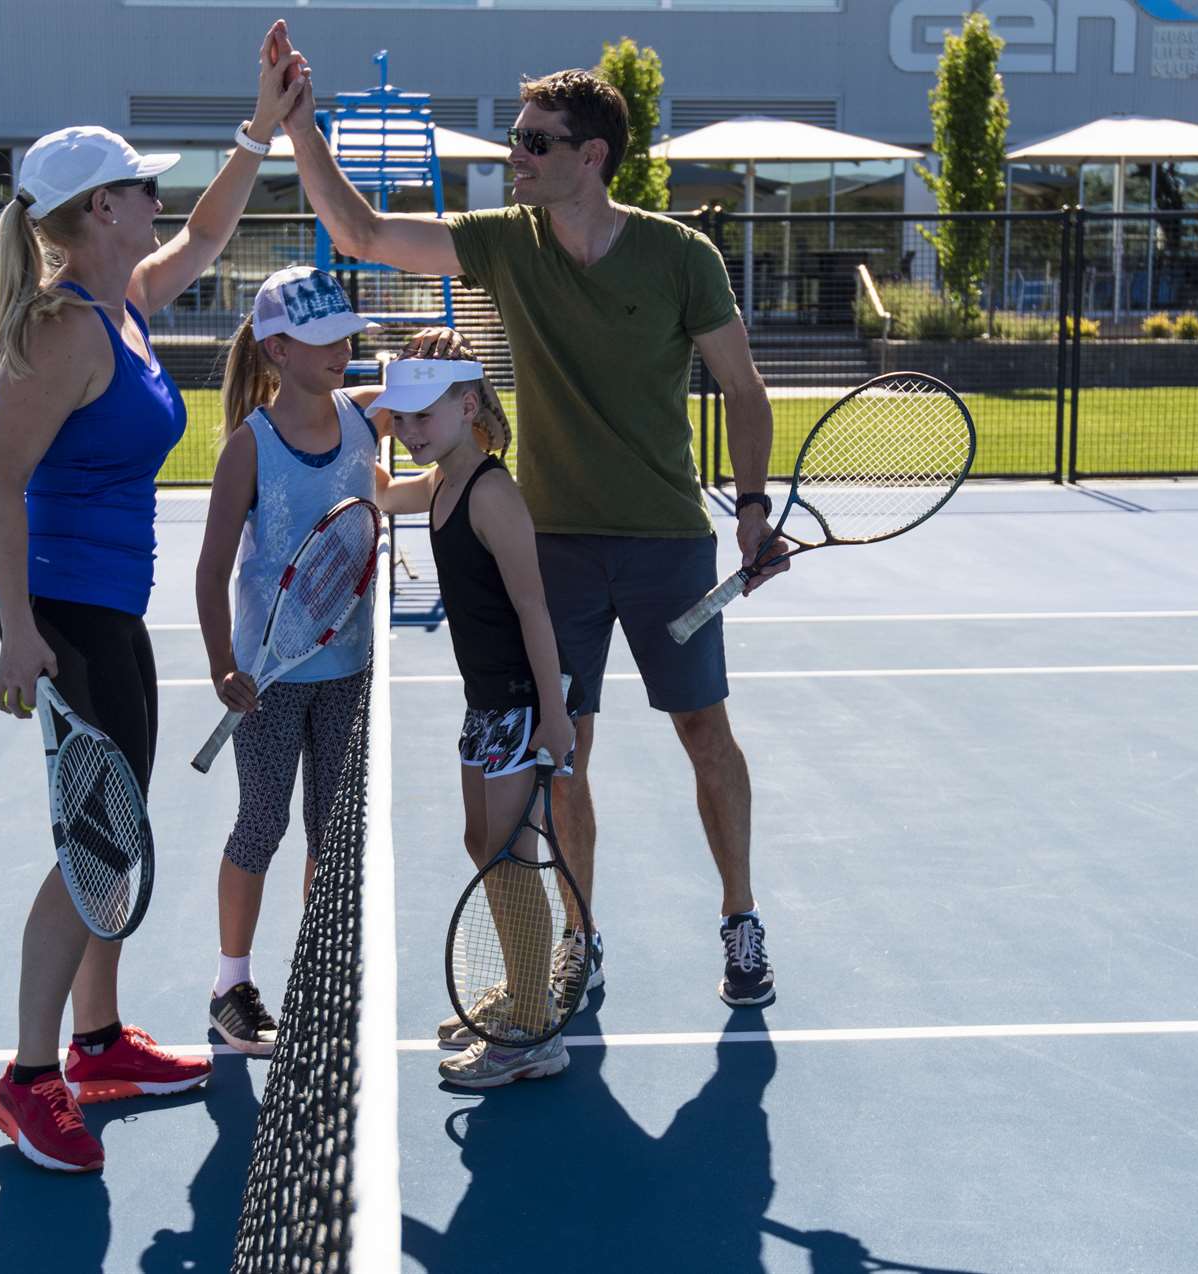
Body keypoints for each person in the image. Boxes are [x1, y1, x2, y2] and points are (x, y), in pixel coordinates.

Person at [273, 37, 787, 1010]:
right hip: (554, 547)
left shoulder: (682, 256)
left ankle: (740, 915)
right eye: (516, 139)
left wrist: (753, 508)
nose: (516, 155)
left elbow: (744, 389)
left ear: (591, 156)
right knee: (565, 750)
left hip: (667, 542)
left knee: (704, 731)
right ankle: (579, 936)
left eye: (534, 143)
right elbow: (363, 232)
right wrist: (300, 128)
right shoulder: (510, 240)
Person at [0, 24, 308, 1174]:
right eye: (138, 188)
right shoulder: (64, 330)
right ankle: (29, 1081)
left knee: (117, 832)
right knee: (95, 845)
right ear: (98, 210)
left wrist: (260, 127)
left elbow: (210, 231)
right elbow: (2, 481)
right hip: (69, 617)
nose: (154, 201)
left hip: (112, 613)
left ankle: (100, 1042)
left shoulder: (123, 301)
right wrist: (19, 630)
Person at [194, 269, 464, 1054]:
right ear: (277, 349)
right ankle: (231, 987)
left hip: (349, 670)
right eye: (323, 340)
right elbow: (211, 571)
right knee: (261, 823)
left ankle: (315, 978)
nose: (342, 350)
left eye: (346, 336)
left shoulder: (365, 419)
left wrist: (459, 450)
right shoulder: (249, 447)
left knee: (329, 833)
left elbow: (393, 477)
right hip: (268, 682)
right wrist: (222, 666)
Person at [371, 350, 582, 1088]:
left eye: (422, 416)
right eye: (401, 418)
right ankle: (525, 989)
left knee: (508, 856)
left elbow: (533, 607)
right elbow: (380, 492)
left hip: (520, 702)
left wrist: (553, 715)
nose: (409, 431)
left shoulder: (492, 494)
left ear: (467, 409)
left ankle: (532, 1031)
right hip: (485, 701)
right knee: (482, 843)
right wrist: (362, 413)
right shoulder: (441, 481)